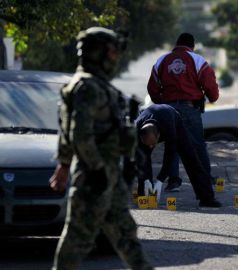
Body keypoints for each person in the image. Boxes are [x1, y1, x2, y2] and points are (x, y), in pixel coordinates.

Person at [48, 27, 152, 270]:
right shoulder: (86, 87)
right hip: (94, 178)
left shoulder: (98, 85)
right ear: (98, 54)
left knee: (126, 233)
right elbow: (78, 133)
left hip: (108, 175)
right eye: (112, 53)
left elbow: (70, 133)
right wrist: (94, 170)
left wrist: (64, 166)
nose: (115, 59)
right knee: (77, 240)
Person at [147, 32, 219, 187]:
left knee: (172, 144)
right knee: (198, 145)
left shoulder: (162, 61)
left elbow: (152, 89)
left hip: (168, 109)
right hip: (190, 108)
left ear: (176, 44)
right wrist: (212, 98)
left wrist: (163, 103)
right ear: (192, 46)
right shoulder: (197, 60)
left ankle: (173, 181)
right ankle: (205, 178)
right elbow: (210, 85)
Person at [135, 104, 221, 207]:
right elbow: (139, 158)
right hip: (151, 123)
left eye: (153, 144)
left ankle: (207, 198)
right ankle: (144, 196)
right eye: (148, 144)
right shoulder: (136, 129)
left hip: (174, 119)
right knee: (143, 157)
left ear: (159, 135)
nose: (151, 147)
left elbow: (169, 154)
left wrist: (160, 180)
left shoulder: (169, 127)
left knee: (191, 158)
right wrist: (145, 180)